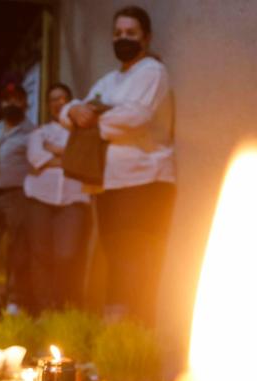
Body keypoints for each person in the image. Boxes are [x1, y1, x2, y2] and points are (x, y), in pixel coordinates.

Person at [61, 5, 175, 324]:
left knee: (135, 260)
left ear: (146, 38)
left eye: (131, 33)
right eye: (118, 33)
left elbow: (134, 118)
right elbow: (72, 112)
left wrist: (90, 119)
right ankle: (115, 332)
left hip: (144, 181)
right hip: (109, 182)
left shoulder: (152, 72)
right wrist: (74, 110)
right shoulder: (109, 80)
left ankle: (136, 331)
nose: (123, 38)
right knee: (114, 255)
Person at [25, 83, 91, 312]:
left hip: (73, 199)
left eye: (63, 98)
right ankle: (45, 308)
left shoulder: (83, 134)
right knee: (40, 254)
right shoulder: (39, 133)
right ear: (47, 105)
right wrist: (69, 157)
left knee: (67, 254)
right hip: (40, 198)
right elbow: (36, 159)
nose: (58, 103)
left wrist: (55, 150)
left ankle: (64, 306)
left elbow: (84, 160)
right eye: (53, 99)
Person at [0, 83, 34, 312]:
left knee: (17, 250)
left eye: (16, 99)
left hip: (17, 195)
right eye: (7, 99)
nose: (11, 104)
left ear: (25, 102)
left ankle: (14, 299)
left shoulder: (32, 132)